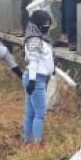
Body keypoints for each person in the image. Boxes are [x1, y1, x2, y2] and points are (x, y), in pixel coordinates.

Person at [22, 9, 55, 146]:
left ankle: (27, 140)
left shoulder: (38, 37)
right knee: (40, 113)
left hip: (34, 78)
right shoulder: (35, 39)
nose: (47, 26)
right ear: (39, 23)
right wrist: (33, 80)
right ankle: (37, 143)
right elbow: (34, 60)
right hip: (35, 79)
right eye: (45, 23)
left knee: (30, 111)